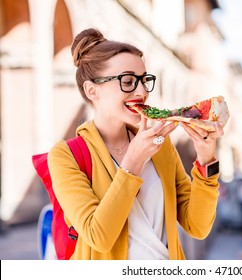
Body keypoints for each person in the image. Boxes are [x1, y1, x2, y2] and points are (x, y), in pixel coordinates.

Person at [48, 28, 224, 260]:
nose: (142, 92)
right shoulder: (65, 156)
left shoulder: (161, 146)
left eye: (144, 80)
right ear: (92, 90)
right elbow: (98, 236)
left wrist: (206, 161)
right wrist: (133, 162)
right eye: (128, 81)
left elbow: (198, 227)